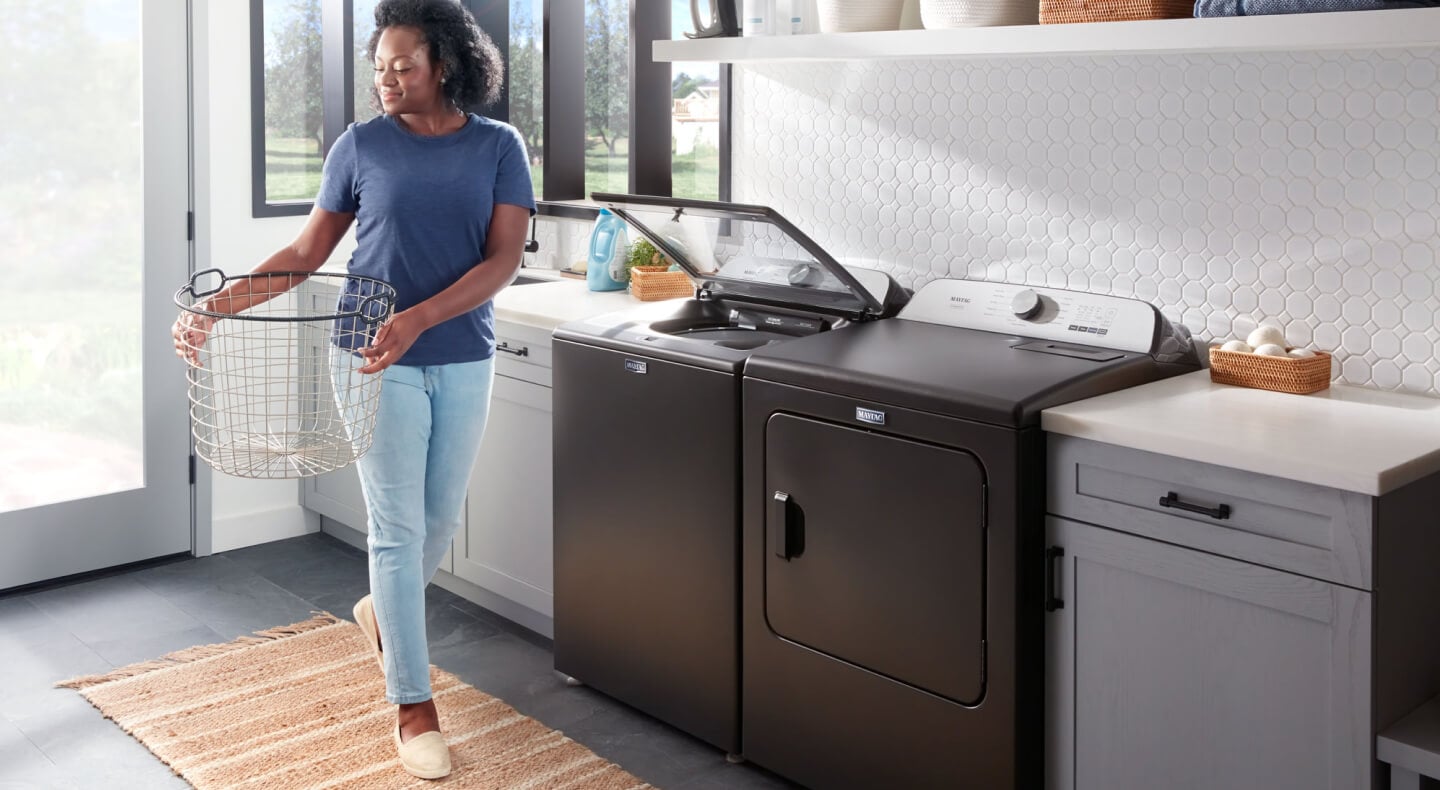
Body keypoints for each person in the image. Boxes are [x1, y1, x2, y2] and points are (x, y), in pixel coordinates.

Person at [172, 0, 534, 779]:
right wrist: (215, 305)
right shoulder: (361, 145)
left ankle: (380, 612)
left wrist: (423, 318)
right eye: (379, 68)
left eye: (404, 66)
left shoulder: (499, 146)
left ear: (446, 64)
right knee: (399, 532)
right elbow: (305, 251)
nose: (388, 81)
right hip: (368, 355)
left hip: (464, 353)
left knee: (437, 522)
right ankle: (412, 705)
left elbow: (504, 260)